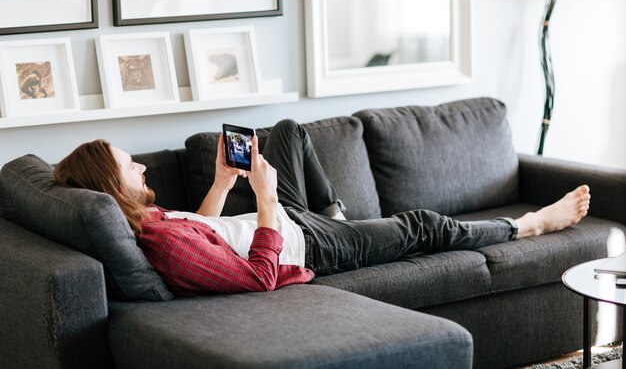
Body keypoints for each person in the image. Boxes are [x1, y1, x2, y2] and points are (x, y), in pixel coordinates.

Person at [54, 120, 591, 296]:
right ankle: (527, 225)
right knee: (421, 226)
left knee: (288, 132)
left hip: (286, 218)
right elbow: (257, 277)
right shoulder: (160, 244)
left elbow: (208, 231)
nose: (143, 169)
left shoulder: (149, 220)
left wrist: (221, 183)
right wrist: (264, 198)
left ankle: (337, 215)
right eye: (131, 167)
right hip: (304, 242)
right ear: (113, 184)